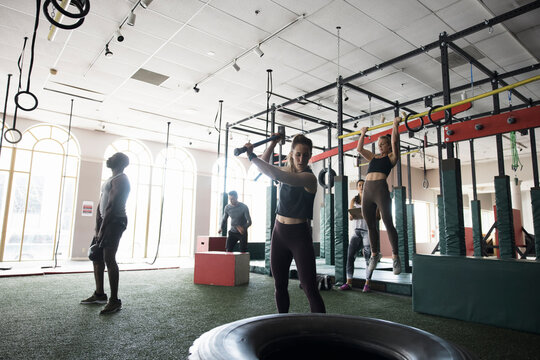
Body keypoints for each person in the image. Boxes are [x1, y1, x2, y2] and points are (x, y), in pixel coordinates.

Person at [245, 134, 326, 313]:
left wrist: (251, 156)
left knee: (309, 287)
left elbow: (274, 173)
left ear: (310, 155)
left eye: (306, 155)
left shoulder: (309, 178)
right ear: (292, 153)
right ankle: (282, 323)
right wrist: (273, 142)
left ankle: (322, 332)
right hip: (279, 233)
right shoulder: (286, 170)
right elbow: (264, 164)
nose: (301, 159)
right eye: (298, 154)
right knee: (279, 284)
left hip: (299, 236)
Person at [81, 152, 131, 315]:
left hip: (116, 221)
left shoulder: (122, 179)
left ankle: (115, 300)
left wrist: (102, 229)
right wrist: (97, 226)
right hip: (104, 222)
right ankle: (100, 294)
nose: (111, 158)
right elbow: (101, 203)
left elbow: (112, 206)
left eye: (115, 157)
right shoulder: (110, 179)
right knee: (96, 256)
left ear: (121, 163)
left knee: (109, 258)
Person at [356, 116, 402, 276]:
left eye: (383, 144)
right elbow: (360, 149)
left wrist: (395, 125)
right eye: (379, 144)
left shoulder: (392, 157)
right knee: (370, 225)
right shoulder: (373, 157)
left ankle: (396, 257)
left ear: (389, 146)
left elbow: (396, 142)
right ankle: (375, 254)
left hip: (381, 191)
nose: (380, 146)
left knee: (388, 223)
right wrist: (362, 133)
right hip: (367, 191)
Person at [339, 179, 372, 292]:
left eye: (363, 185)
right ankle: (349, 282)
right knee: (350, 256)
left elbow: (378, 216)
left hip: (367, 231)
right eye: (359, 185)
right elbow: (350, 217)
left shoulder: (371, 199)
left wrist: (367, 214)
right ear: (357, 187)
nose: (361, 187)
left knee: (368, 258)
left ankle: (367, 284)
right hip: (356, 232)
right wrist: (353, 215)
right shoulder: (354, 200)